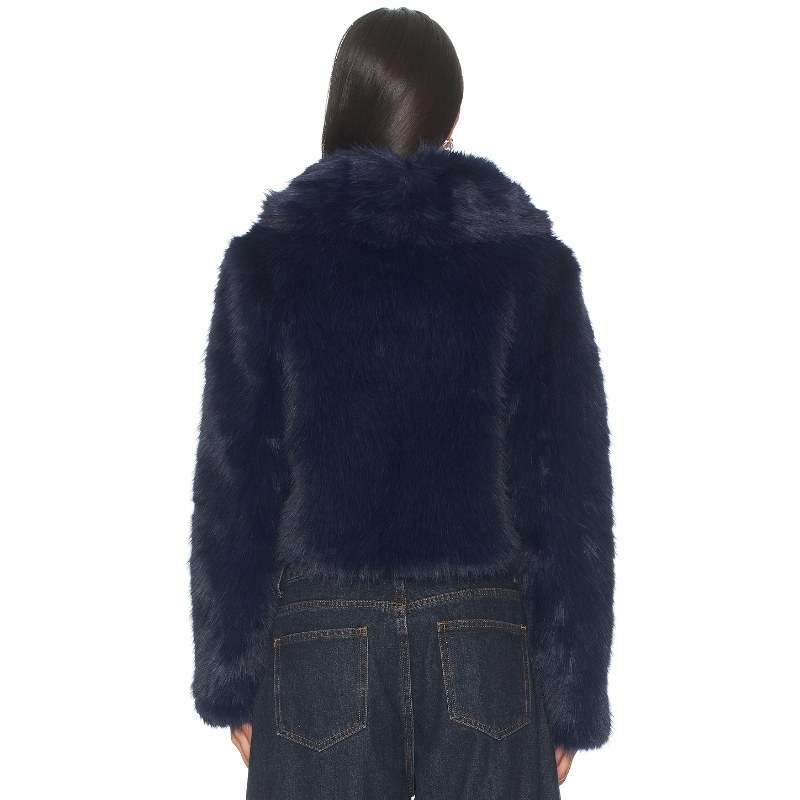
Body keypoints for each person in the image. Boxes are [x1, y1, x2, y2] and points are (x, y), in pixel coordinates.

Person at [188, 7, 615, 799]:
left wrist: (229, 672)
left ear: (341, 108)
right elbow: (566, 488)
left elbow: (236, 480)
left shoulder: (267, 263)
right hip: (485, 641)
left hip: (318, 644)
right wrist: (574, 690)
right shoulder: (528, 263)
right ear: (449, 120)